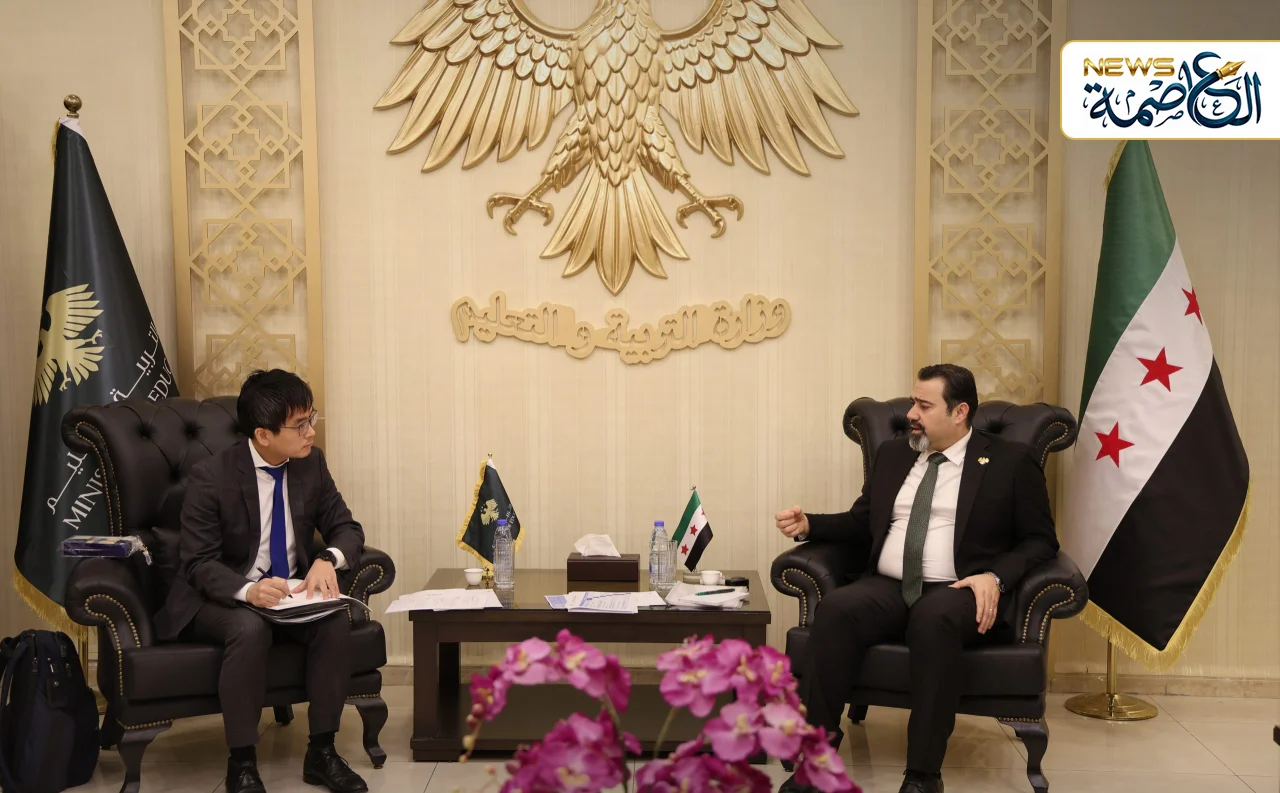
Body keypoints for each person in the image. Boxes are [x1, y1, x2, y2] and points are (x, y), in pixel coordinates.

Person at [775, 364, 1058, 793]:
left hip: (958, 588)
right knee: (836, 609)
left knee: (933, 619)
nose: (912, 414)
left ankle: (923, 775)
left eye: (924, 406)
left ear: (960, 412)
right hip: (889, 585)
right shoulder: (894, 454)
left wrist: (995, 576)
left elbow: (1041, 540)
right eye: (913, 403)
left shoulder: (1009, 461)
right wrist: (809, 524)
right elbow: (863, 521)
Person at [155, 369, 368, 793]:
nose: (311, 432)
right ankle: (242, 763)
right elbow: (198, 563)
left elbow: (347, 528)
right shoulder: (211, 475)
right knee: (249, 627)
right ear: (263, 435)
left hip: (288, 594)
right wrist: (248, 590)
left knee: (333, 620)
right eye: (299, 424)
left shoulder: (311, 464)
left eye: (311, 418)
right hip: (219, 596)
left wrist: (327, 558)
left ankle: (322, 752)